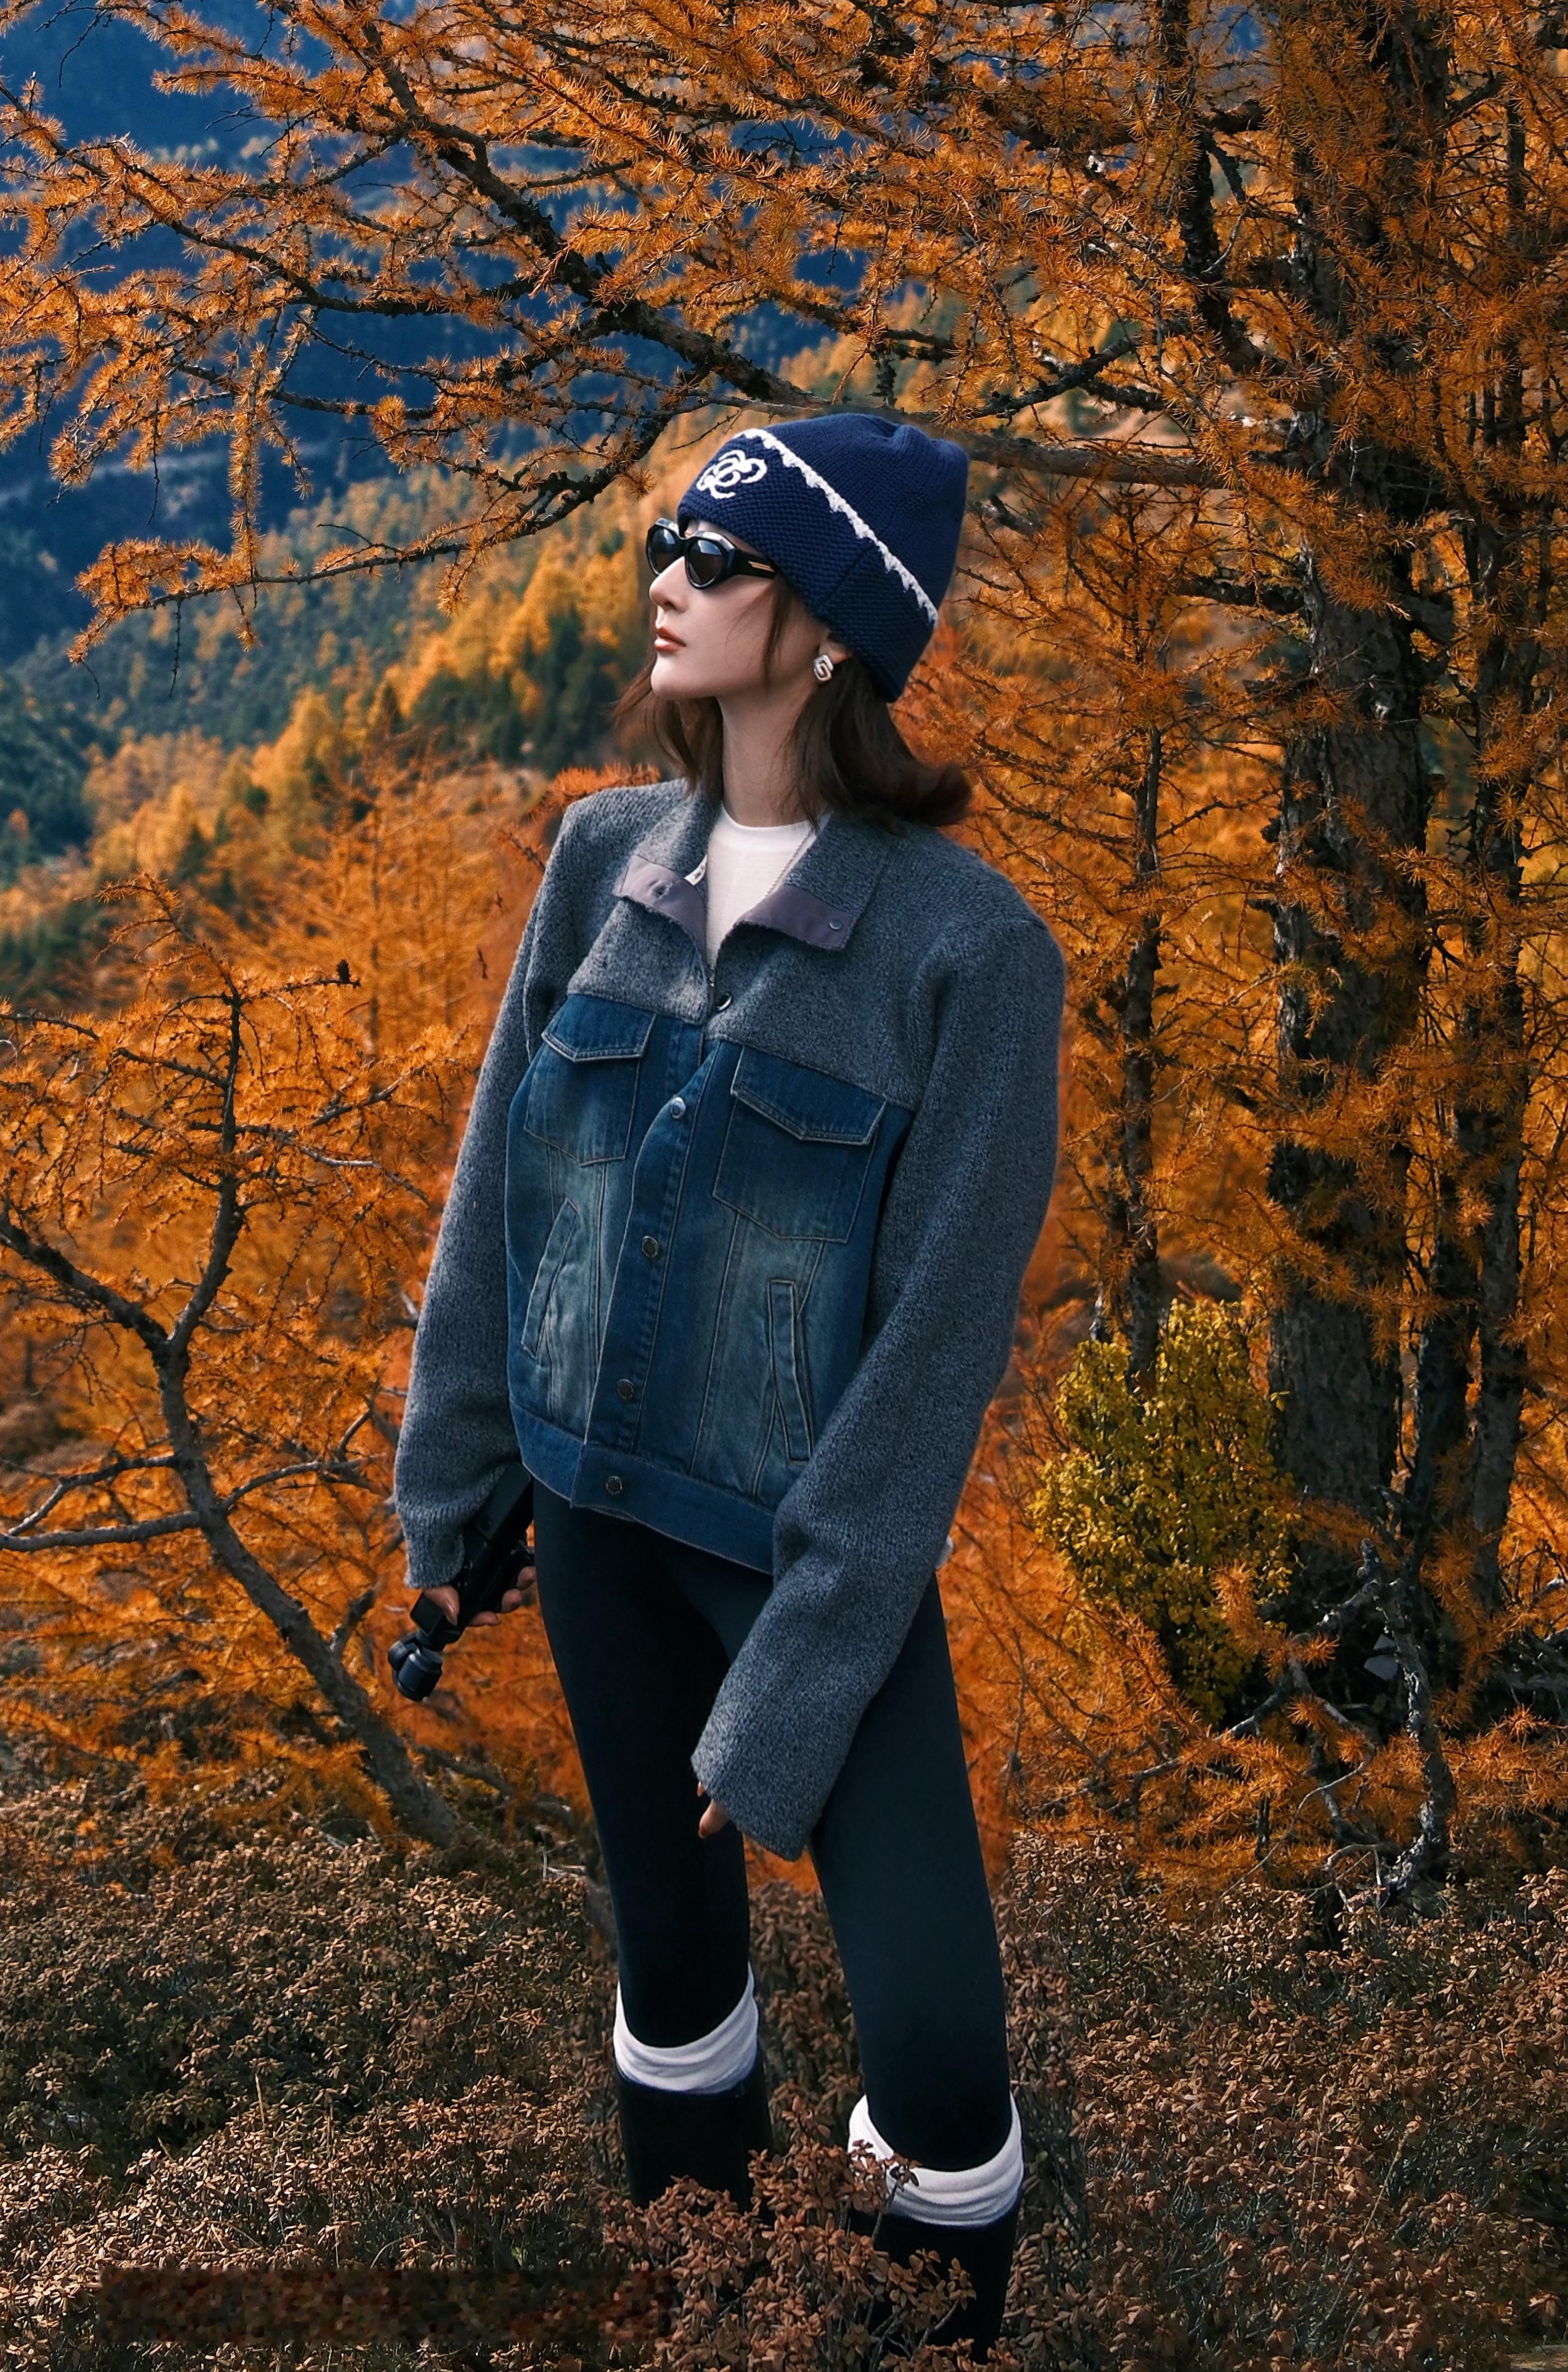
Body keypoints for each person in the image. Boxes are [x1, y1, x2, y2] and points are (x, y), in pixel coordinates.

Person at [392, 413, 1063, 2356]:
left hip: (803, 1575)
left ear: (832, 629)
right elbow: (496, 1197)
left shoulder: (970, 954)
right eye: (670, 538)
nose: (666, 574)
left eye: (719, 551)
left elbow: (936, 1359)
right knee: (673, 1981)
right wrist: (458, 1490)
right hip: (597, 1530)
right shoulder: (601, 853)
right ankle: (711, 2320)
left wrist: (783, 1699)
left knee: (938, 2067)